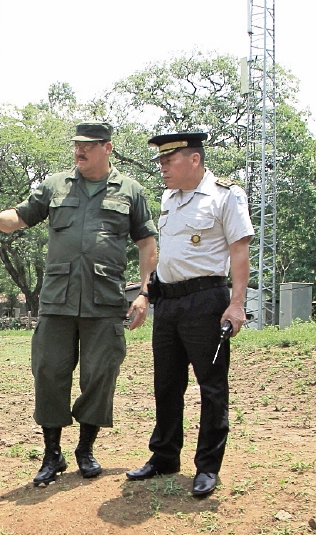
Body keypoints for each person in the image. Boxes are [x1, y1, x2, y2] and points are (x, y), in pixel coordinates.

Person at [0, 121, 158, 486]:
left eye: (87, 146)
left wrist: (145, 294)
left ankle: (85, 449)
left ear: (107, 148)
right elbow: (19, 216)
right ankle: (52, 454)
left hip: (104, 301)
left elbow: (147, 245)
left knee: (100, 374)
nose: (79, 151)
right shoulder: (55, 185)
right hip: (57, 299)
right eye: (76, 146)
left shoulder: (130, 191)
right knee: (49, 371)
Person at [125, 132, 253, 498]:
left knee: (211, 386)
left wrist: (237, 303)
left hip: (205, 300)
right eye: (161, 162)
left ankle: (208, 466)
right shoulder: (169, 198)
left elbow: (239, 252)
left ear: (193, 160)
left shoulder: (226, 196)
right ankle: (164, 455)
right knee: (166, 384)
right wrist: (147, 294)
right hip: (168, 302)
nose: (162, 168)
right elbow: (165, 254)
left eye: (169, 160)